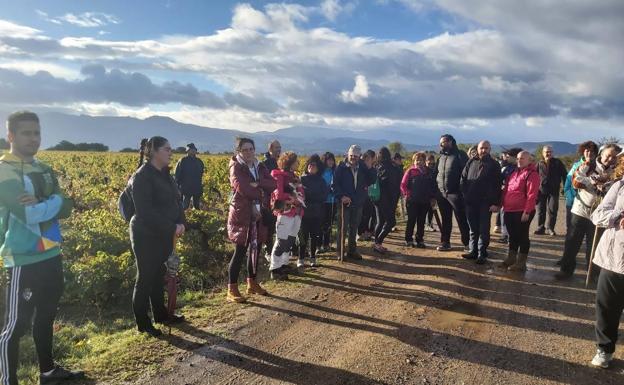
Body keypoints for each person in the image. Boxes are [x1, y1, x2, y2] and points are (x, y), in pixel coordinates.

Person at [0, 111, 84, 385]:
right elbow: (27, 216)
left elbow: (68, 206)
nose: (33, 138)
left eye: (36, 132)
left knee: (46, 316)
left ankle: (47, 372)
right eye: (26, 133)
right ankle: (7, 380)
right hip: (23, 258)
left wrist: (47, 202)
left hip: (51, 252)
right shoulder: (4, 170)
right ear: (10, 136)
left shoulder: (45, 169)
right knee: (15, 326)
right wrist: (53, 203)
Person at [128, 136, 187, 336]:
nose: (171, 152)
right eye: (167, 149)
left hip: (164, 233)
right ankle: (143, 323)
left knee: (158, 275)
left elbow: (177, 201)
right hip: (146, 234)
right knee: (145, 277)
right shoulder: (142, 176)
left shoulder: (165, 174)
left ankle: (161, 314)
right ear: (153, 151)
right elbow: (145, 211)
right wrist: (171, 226)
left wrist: (181, 223)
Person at [555, 143, 621, 280]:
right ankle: (566, 270)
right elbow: (576, 180)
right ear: (601, 154)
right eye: (609, 156)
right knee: (572, 242)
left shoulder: (617, 172)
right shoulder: (588, 165)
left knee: (594, 245)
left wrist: (607, 186)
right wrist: (594, 181)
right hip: (580, 211)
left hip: (601, 215)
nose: (611, 160)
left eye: (614, 157)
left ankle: (592, 274)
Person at [226, 137, 275, 303]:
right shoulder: (236, 166)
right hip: (242, 214)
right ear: (238, 151)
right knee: (240, 251)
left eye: (251, 149)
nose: (248, 152)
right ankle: (232, 288)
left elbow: (273, 184)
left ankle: (252, 283)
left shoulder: (259, 166)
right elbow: (243, 188)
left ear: (254, 150)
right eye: (244, 150)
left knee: (256, 249)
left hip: (259, 213)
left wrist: (258, 183)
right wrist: (260, 190)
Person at [588, 156, 624, 368]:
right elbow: (597, 215)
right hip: (613, 259)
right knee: (607, 308)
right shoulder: (620, 186)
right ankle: (604, 349)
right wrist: (618, 216)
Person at [460, 140, 502, 264]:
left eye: (486, 148)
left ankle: (482, 253)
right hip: (470, 201)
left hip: (486, 202)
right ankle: (473, 251)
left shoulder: (494, 164)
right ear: (477, 149)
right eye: (482, 148)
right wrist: (465, 196)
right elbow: (463, 179)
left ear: (490, 149)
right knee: (473, 229)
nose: (484, 150)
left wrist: (496, 203)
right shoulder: (471, 161)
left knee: (483, 229)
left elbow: (497, 185)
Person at [333, 145, 377, 260]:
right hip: (344, 203)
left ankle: (352, 251)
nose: (353, 158)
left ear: (359, 156)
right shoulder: (341, 168)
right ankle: (340, 252)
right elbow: (334, 185)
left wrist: (370, 167)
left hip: (357, 202)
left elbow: (371, 180)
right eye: (351, 155)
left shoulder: (363, 167)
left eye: (355, 156)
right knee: (342, 229)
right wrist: (341, 196)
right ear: (348, 155)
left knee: (354, 228)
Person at [498, 151, 540, 271]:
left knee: (522, 236)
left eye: (522, 158)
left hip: (522, 211)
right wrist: (501, 204)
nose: (519, 161)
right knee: (512, 236)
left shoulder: (532, 174)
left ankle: (521, 263)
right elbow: (506, 190)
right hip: (509, 210)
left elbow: (532, 195)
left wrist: (527, 212)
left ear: (529, 160)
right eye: (517, 158)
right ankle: (511, 258)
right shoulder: (513, 173)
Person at [269, 152, 305, 280]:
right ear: (290, 162)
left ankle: (283, 264)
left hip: (296, 212)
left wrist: (297, 198)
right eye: (296, 161)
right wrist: (292, 198)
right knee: (281, 240)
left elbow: (301, 193)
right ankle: (274, 268)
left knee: (290, 240)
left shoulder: (293, 176)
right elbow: (278, 194)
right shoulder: (280, 176)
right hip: (286, 212)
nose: (298, 163)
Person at [435, 134, 470, 251]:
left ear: (451, 142)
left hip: (456, 194)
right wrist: (436, 191)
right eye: (440, 143)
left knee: (461, 219)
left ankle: (467, 244)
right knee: (445, 219)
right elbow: (436, 174)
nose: (441, 145)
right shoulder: (440, 158)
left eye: (443, 142)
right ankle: (445, 242)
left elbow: (466, 175)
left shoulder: (460, 155)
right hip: (442, 194)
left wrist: (462, 191)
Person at [401, 152, 436, 248]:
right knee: (411, 220)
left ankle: (420, 240)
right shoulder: (410, 171)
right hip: (412, 201)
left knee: (421, 221)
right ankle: (408, 239)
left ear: (424, 161)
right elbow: (403, 185)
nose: (419, 162)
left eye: (421, 160)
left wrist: (433, 197)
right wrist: (408, 195)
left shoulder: (428, 172)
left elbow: (432, 186)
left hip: (424, 201)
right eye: (417, 160)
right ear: (414, 161)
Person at [299, 155, 328, 267]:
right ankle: (301, 258)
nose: (311, 166)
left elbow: (323, 197)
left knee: (314, 235)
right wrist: (313, 196)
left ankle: (313, 258)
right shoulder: (302, 179)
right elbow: (301, 196)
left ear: (318, 168)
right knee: (303, 236)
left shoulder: (321, 181)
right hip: (304, 213)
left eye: (314, 165)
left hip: (317, 213)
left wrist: (309, 195)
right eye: (310, 164)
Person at [563, 141, 598, 233]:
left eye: (592, 151)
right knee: (572, 230)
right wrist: (571, 198)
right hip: (574, 202)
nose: (589, 153)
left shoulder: (599, 167)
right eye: (587, 151)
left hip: (591, 205)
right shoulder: (576, 166)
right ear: (583, 151)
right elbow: (567, 184)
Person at [373, 147, 402, 253]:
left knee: (380, 222)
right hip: (387, 200)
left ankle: (377, 244)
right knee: (391, 222)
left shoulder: (376, 167)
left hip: (377, 198)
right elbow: (393, 185)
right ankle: (378, 242)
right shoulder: (392, 168)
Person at [534, 145, 567, 236]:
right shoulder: (539, 163)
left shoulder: (558, 163)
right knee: (541, 210)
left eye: (550, 152)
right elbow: (534, 176)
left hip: (554, 190)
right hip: (541, 190)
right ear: (543, 153)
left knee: (552, 210)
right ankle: (541, 227)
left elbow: (565, 175)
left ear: (552, 153)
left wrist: (565, 187)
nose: (548, 153)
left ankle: (550, 228)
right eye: (546, 152)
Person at [260, 140, 281, 258]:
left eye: (280, 147)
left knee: (278, 225)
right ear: (270, 149)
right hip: (268, 199)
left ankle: (276, 252)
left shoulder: (280, 163)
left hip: (280, 199)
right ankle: (268, 251)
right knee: (269, 225)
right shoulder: (265, 164)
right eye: (277, 147)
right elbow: (263, 182)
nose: (279, 149)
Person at [497, 148, 522, 244]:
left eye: (508, 157)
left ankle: (514, 237)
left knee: (516, 219)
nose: (506, 159)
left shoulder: (521, 169)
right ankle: (505, 235)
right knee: (504, 215)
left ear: (515, 157)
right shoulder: (507, 168)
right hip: (506, 197)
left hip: (518, 200)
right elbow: (500, 179)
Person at [174, 143, 205, 209]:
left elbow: (201, 174)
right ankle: (183, 218)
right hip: (186, 187)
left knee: (196, 206)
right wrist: (178, 186)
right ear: (187, 151)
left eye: (194, 149)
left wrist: (201, 185)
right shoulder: (182, 160)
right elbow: (177, 174)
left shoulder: (199, 161)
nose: (193, 151)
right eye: (191, 149)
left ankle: (196, 217)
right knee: (185, 206)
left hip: (197, 187)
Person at [358, 150, 377, 241]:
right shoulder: (359, 167)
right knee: (361, 215)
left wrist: (369, 168)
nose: (368, 160)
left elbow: (372, 181)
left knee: (367, 215)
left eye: (370, 159)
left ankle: (365, 232)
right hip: (359, 195)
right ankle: (360, 233)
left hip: (368, 195)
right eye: (367, 158)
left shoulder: (372, 169)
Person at [319, 152, 336, 252]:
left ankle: (326, 244)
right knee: (321, 224)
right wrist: (327, 189)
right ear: (324, 161)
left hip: (332, 201)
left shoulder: (335, 171)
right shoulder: (321, 172)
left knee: (329, 223)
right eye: (329, 160)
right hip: (322, 201)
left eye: (332, 160)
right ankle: (319, 245)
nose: (331, 162)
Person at [425, 154, 437, 232]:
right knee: (425, 210)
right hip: (425, 194)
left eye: (432, 164)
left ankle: (429, 224)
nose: (431, 165)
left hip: (433, 194)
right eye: (429, 163)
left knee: (431, 210)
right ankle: (427, 225)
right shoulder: (423, 171)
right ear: (426, 162)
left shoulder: (435, 170)